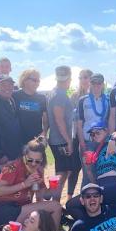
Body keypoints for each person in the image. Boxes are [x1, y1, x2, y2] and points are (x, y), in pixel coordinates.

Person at [0, 137, 63, 226]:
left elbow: (44, 196)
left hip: (22, 209)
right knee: (56, 206)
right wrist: (24, 184)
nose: (33, 163)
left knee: (52, 208)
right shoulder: (13, 167)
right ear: (24, 156)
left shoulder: (37, 171)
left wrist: (53, 186)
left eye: (37, 161)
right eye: (30, 160)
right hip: (6, 210)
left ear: (42, 160)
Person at [65, 121, 116, 220]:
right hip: (101, 187)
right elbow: (93, 181)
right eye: (92, 134)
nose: (94, 136)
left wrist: (113, 140)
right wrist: (88, 167)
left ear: (106, 131)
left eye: (97, 132)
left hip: (112, 184)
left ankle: (92, 224)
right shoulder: (96, 153)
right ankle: (94, 224)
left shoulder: (110, 142)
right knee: (71, 205)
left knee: (72, 205)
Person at [46, 66, 74, 202]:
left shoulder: (54, 92)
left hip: (57, 138)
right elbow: (59, 119)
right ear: (69, 78)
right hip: (61, 140)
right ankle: (53, 201)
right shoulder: (60, 95)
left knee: (63, 171)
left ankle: (52, 198)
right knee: (62, 173)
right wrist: (68, 140)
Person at [68, 69, 94, 201]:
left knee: (89, 169)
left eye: (86, 77)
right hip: (76, 136)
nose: (83, 80)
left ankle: (90, 196)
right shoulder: (74, 96)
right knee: (74, 168)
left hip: (90, 137)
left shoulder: (96, 96)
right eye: (81, 78)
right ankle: (69, 198)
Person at [0, 75, 23, 168]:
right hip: (3, 159)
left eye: (10, 85)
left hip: (14, 154)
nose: (7, 88)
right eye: (3, 85)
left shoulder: (11, 101)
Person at [76, 73, 110, 153]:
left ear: (103, 84)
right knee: (88, 162)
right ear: (90, 84)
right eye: (94, 83)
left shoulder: (108, 100)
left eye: (99, 83)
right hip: (88, 141)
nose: (96, 85)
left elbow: (110, 121)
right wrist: (82, 143)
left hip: (104, 142)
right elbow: (79, 125)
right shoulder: (82, 100)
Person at [13, 68, 48, 145]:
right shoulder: (14, 95)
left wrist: (44, 133)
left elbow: (45, 119)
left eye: (38, 81)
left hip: (36, 141)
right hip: (18, 141)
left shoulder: (42, 98)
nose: (37, 83)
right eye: (34, 80)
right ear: (24, 80)